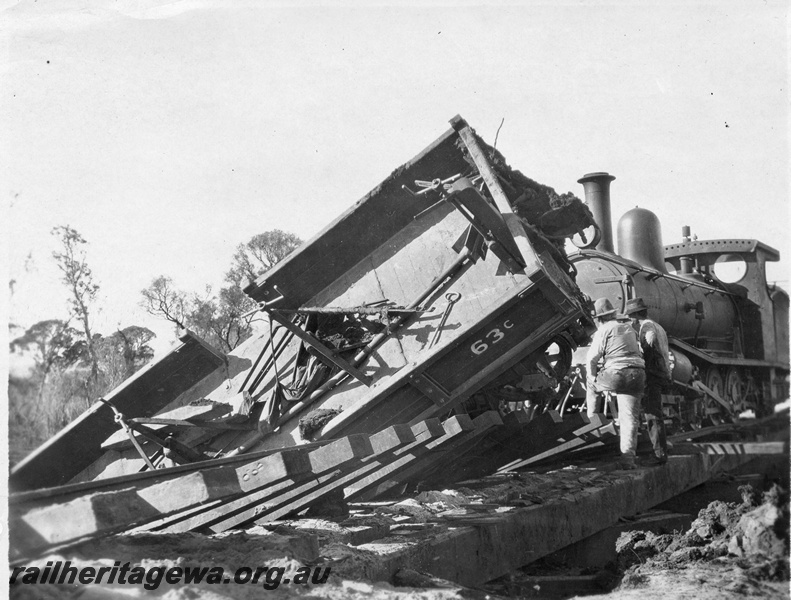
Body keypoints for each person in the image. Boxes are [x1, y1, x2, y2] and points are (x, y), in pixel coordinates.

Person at [586, 298, 645, 469]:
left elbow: (592, 358)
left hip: (617, 373)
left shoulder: (603, 329)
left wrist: (592, 377)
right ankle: (628, 459)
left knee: (592, 384)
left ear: (599, 318)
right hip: (638, 374)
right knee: (629, 417)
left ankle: (591, 424)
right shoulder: (628, 328)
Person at [625, 297, 672, 465]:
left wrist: (640, 357)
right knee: (654, 413)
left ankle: (659, 455)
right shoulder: (658, 326)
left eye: (631, 317)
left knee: (652, 414)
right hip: (661, 373)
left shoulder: (647, 327)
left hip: (653, 374)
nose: (631, 321)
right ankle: (659, 450)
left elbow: (650, 345)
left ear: (637, 315)